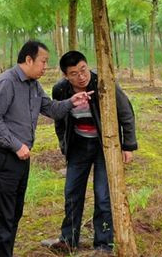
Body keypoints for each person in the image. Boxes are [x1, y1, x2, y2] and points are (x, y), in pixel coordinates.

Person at [0, 40, 93, 257]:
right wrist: (17, 146)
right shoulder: (7, 82)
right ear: (28, 60)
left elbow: (52, 109)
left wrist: (72, 101)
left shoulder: (33, 85)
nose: (46, 67)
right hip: (3, 156)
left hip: (20, 158)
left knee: (14, 213)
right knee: (3, 217)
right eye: (43, 62)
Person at [42, 50, 137, 254]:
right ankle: (68, 240)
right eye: (74, 73)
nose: (81, 76)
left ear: (88, 66)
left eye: (83, 69)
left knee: (103, 196)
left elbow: (126, 113)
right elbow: (59, 120)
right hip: (78, 146)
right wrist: (63, 144)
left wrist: (128, 146)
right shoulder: (61, 90)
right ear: (66, 76)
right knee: (72, 192)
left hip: (105, 148)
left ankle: (103, 245)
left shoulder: (103, 84)